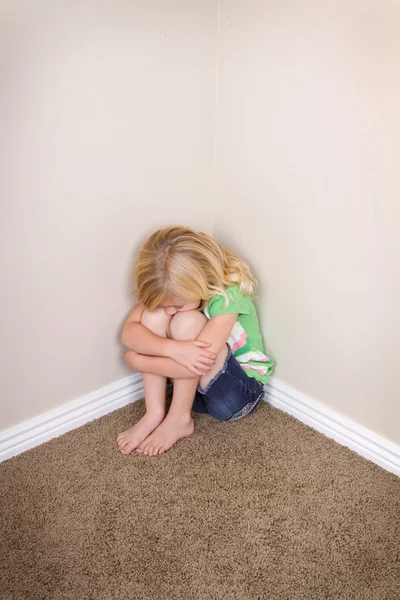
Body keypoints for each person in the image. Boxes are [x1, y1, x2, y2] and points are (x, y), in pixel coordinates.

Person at [117, 226, 274, 457]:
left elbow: (197, 363)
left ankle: (179, 419)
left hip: (236, 396)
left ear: (200, 282)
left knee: (187, 322)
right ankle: (154, 413)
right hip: (194, 391)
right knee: (152, 314)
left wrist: (138, 361)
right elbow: (129, 333)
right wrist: (171, 348)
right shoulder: (168, 283)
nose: (170, 310)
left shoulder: (230, 294)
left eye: (177, 305)